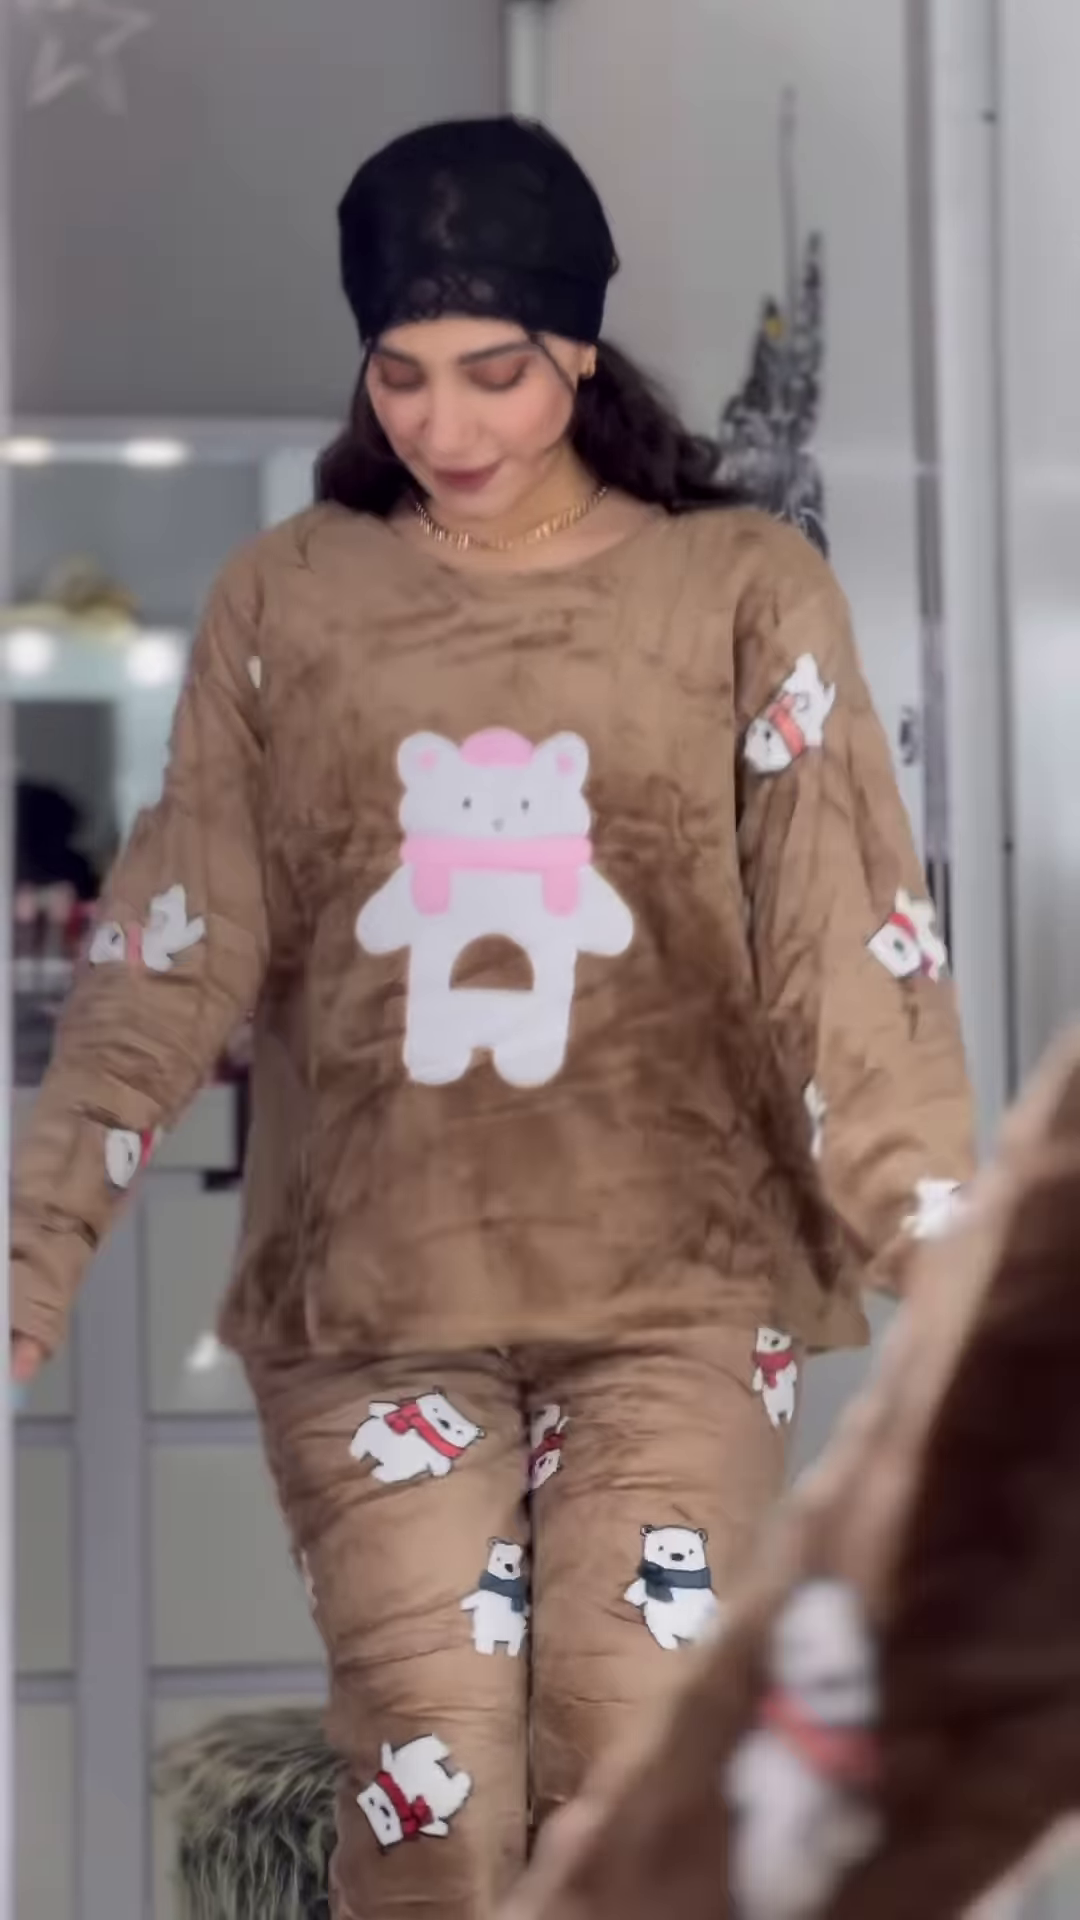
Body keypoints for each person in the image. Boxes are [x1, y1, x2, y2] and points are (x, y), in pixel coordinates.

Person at [9, 117, 975, 1920]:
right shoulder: (290, 600)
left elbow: (848, 942)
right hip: (374, 1297)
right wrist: (35, 1239)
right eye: (401, 375)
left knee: (632, 1761)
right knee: (435, 1787)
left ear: (581, 351)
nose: (443, 424)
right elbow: (172, 944)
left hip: (683, 1289)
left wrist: (954, 1259)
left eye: (493, 371)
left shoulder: (740, 587)